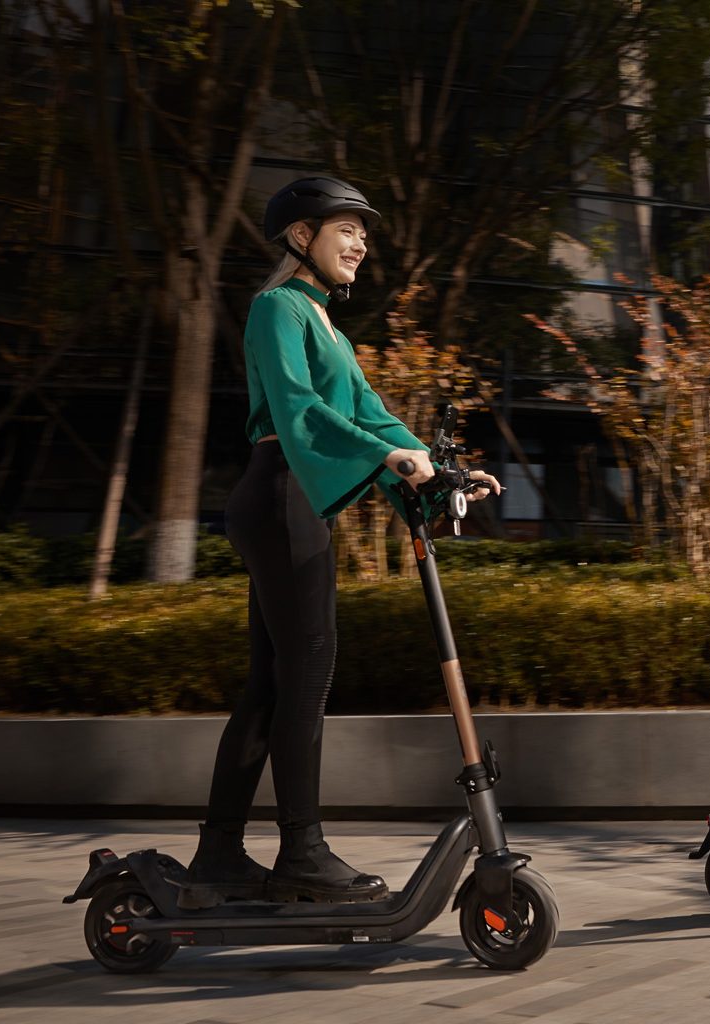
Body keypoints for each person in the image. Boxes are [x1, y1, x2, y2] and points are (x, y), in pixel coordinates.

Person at [184, 176, 500, 906]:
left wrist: (439, 469)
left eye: (364, 232)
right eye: (346, 228)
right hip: (277, 494)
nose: (360, 243)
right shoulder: (277, 309)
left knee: (271, 682)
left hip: (293, 502)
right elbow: (298, 410)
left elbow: (375, 417)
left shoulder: (329, 326)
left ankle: (219, 857)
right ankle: (302, 853)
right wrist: (389, 460)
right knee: (309, 668)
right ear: (302, 236)